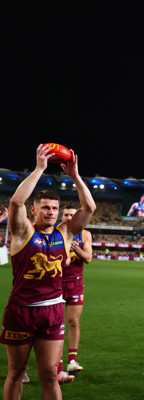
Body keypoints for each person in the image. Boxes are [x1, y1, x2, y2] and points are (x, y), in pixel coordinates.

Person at [0, 144, 96, 399]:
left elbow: (89, 209)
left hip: (52, 310)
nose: (51, 212)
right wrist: (40, 169)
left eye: (54, 208)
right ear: (34, 210)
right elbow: (16, 201)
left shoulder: (64, 233)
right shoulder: (23, 232)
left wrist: (75, 177)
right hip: (21, 310)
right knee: (16, 371)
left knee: (51, 374)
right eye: (45, 207)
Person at [58, 205, 93, 375]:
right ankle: (57, 363)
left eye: (73, 215)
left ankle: (72, 360)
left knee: (73, 322)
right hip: (55, 283)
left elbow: (88, 258)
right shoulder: (55, 233)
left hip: (76, 283)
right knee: (57, 325)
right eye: (66, 214)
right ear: (61, 216)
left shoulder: (85, 234)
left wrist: (75, 248)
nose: (69, 218)